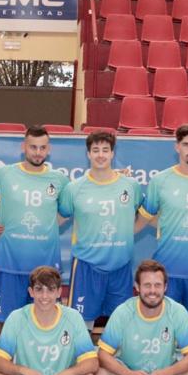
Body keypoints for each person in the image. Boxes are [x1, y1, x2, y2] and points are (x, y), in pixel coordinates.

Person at [57, 130, 143, 326]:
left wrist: (128, 234)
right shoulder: (74, 188)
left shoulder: (130, 186)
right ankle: (82, 358)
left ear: (113, 153)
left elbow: (144, 216)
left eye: (106, 150)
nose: (101, 155)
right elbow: (56, 220)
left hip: (120, 265)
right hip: (87, 265)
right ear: (88, 154)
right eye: (96, 150)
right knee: (80, 324)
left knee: (121, 325)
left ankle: (117, 358)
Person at [137, 125, 188, 327]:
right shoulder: (160, 181)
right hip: (168, 271)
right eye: (186, 145)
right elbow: (145, 217)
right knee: (164, 325)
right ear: (177, 148)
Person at [0, 126, 69, 322]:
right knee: (6, 323)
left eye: (42, 148)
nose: (38, 152)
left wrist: (50, 224)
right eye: (33, 147)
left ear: (49, 149)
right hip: (11, 262)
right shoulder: (4, 174)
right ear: (23, 147)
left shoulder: (59, 180)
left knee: (45, 321)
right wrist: (7, 219)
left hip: (46, 263)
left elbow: (68, 211)